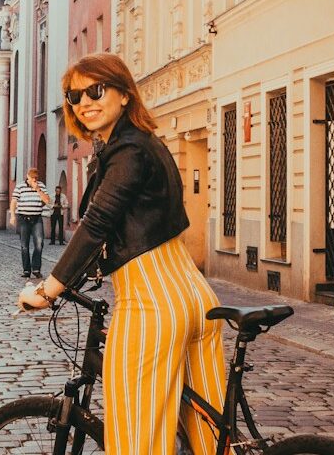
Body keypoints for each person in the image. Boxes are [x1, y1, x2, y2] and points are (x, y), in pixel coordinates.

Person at [17, 53, 224, 455]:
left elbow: (97, 224)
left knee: (136, 443)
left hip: (151, 306)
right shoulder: (148, 145)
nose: (84, 103)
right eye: (74, 96)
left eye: (96, 90)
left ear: (125, 93)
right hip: (197, 301)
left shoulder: (127, 151)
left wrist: (48, 290)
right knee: (213, 441)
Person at [13, 168, 50, 278]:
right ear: (27, 176)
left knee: (39, 244)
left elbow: (48, 201)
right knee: (24, 245)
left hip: (37, 218)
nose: (34, 179)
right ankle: (26, 270)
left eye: (36, 177)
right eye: (32, 177)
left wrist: (38, 189)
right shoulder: (20, 186)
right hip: (23, 218)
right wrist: (12, 216)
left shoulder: (41, 186)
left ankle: (36, 268)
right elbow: (14, 201)